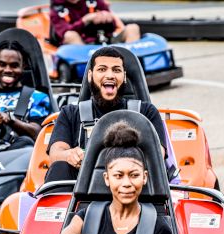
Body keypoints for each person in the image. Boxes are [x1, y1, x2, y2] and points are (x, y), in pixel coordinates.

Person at [45, 46, 168, 183]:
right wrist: (70, 155)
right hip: (82, 189)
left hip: (133, 185)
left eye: (116, 70)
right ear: (90, 76)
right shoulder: (70, 113)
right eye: (102, 69)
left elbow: (158, 155)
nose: (110, 75)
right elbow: (56, 153)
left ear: (124, 77)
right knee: (59, 167)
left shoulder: (146, 112)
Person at [50, 0, 140, 45]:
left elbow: (115, 26)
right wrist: (85, 20)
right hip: (83, 46)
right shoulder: (57, 11)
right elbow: (63, 33)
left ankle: (132, 65)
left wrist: (107, 18)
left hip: (105, 40)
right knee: (70, 35)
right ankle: (88, 69)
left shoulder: (95, 2)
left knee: (133, 28)